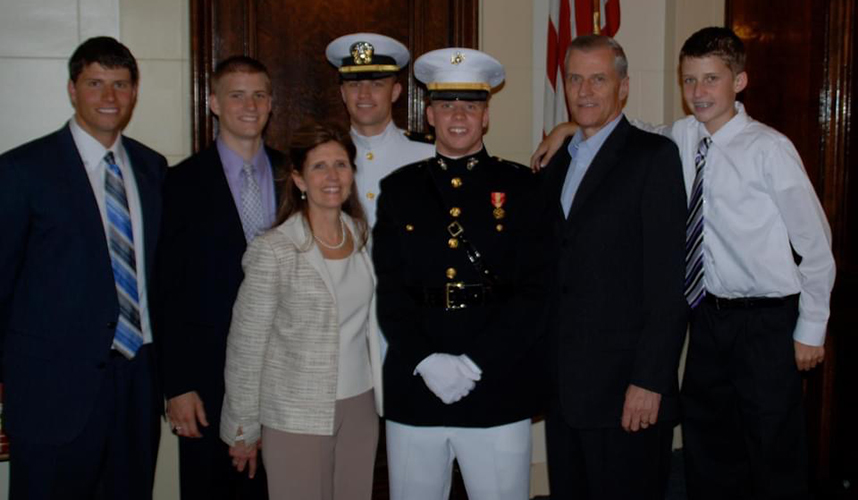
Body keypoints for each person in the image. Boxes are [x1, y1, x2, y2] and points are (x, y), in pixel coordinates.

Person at [535, 28, 836, 499]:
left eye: (711, 79)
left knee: (773, 451)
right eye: (690, 80)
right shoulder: (685, 135)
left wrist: (811, 327)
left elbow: (816, 243)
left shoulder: (769, 149)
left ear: (739, 83)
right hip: (708, 318)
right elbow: (628, 133)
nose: (698, 92)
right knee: (709, 450)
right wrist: (570, 126)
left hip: (767, 320)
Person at [372, 47, 549, 500]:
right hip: (416, 384)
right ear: (429, 114)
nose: (458, 116)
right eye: (446, 105)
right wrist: (426, 361)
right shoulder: (399, 189)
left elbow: (535, 291)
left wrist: (474, 363)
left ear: (486, 116)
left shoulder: (522, 188)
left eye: (470, 105)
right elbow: (388, 289)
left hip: (497, 383)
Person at [0, 36, 166, 499]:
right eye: (95, 83)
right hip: (52, 391)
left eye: (121, 84)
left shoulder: (153, 169)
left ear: (134, 92)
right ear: (72, 89)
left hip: (136, 384)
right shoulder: (22, 171)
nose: (109, 98)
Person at [541, 35, 688, 499]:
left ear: (623, 87)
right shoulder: (554, 162)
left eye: (598, 79)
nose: (584, 90)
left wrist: (649, 379)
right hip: (564, 391)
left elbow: (668, 282)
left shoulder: (654, 158)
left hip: (627, 393)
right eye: (575, 78)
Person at [220, 122, 384, 500]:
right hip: (296, 410)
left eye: (341, 165)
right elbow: (246, 345)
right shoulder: (274, 250)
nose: (332, 176)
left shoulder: (362, 235)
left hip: (361, 403)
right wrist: (243, 429)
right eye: (319, 167)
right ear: (299, 179)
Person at [155, 55, 283, 499]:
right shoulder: (179, 183)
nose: (250, 105)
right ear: (213, 102)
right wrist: (177, 384)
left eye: (259, 95)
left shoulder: (299, 177)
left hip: (285, 373)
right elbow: (166, 289)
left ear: (271, 103)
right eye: (236, 95)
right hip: (206, 381)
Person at [326, 32, 435, 227]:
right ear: (343, 93)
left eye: (376, 84)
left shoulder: (429, 156)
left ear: (395, 92)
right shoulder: (324, 157)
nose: (364, 94)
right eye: (354, 84)